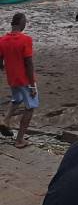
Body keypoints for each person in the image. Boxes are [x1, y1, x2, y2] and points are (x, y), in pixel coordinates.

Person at [0, 13, 36, 148]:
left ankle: (5, 119)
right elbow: (29, 63)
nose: (26, 23)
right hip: (25, 79)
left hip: (12, 78)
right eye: (25, 21)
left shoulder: (2, 40)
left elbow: (0, 61)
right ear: (21, 23)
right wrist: (32, 85)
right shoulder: (26, 39)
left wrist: (8, 69)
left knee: (17, 98)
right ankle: (20, 139)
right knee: (30, 107)